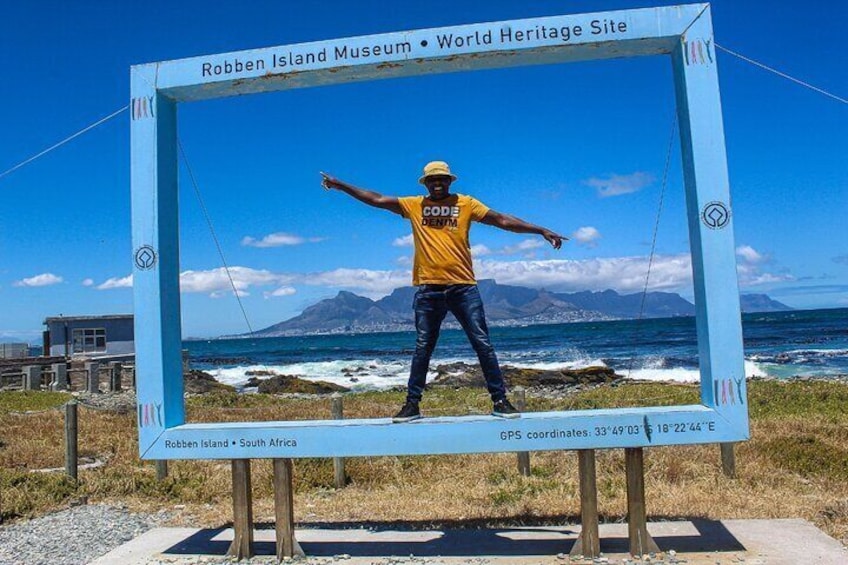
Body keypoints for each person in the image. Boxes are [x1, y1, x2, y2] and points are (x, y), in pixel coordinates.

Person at [321, 161, 567, 422]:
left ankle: (500, 401)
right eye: (432, 180)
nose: (437, 184)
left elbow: (502, 220)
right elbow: (377, 199)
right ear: (425, 183)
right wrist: (341, 186)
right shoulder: (415, 205)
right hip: (429, 290)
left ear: (450, 181)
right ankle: (412, 405)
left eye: (442, 179)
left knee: (482, 344)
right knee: (423, 347)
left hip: (464, 288)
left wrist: (539, 230)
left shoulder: (466, 203)